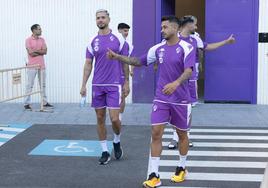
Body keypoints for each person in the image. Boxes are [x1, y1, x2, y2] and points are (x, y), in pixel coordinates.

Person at [107, 15, 195, 187]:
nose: (162, 30)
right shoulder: (157, 49)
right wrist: (118, 56)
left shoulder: (187, 47)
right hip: (161, 99)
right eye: (161, 27)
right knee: (156, 133)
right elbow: (138, 61)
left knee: (182, 135)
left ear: (176, 29)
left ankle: (182, 167)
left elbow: (189, 71)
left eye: (165, 27)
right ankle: (154, 174)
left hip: (181, 100)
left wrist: (176, 83)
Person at [167, 15, 236, 150]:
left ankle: (186, 135)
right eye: (195, 24)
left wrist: (226, 41)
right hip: (176, 80)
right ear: (188, 24)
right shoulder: (174, 38)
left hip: (190, 80)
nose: (196, 27)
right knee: (174, 109)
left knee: (187, 110)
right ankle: (175, 137)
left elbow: (208, 47)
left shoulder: (195, 39)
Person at [80, 9, 129, 165]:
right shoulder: (92, 41)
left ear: (109, 19)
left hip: (114, 84)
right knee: (100, 118)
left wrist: (126, 81)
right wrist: (83, 85)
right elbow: (88, 64)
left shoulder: (119, 39)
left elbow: (125, 61)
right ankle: (104, 151)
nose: (100, 20)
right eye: (98, 18)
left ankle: (116, 140)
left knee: (115, 119)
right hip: (98, 85)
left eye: (103, 17)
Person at [24, 24, 53, 110]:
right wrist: (40, 51)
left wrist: (36, 51)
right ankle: (26, 103)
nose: (41, 31)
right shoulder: (28, 40)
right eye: (39, 29)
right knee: (29, 85)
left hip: (42, 66)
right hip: (32, 66)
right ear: (34, 30)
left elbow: (45, 51)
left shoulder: (42, 39)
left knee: (43, 85)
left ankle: (44, 102)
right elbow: (30, 53)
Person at [117, 23, 133, 121]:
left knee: (122, 97)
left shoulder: (128, 45)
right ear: (119, 31)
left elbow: (130, 60)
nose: (126, 33)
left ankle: (119, 117)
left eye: (127, 31)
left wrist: (132, 70)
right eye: (124, 31)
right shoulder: (113, 42)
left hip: (122, 75)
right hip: (111, 75)